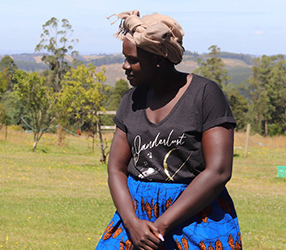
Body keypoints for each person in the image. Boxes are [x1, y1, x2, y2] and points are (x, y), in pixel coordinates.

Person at [96, 10, 241, 250]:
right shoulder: (131, 100)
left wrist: (161, 226)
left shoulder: (205, 95)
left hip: (194, 217)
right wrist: (132, 224)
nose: (125, 66)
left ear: (158, 59)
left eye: (133, 59)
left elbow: (219, 171)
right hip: (136, 218)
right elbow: (116, 168)